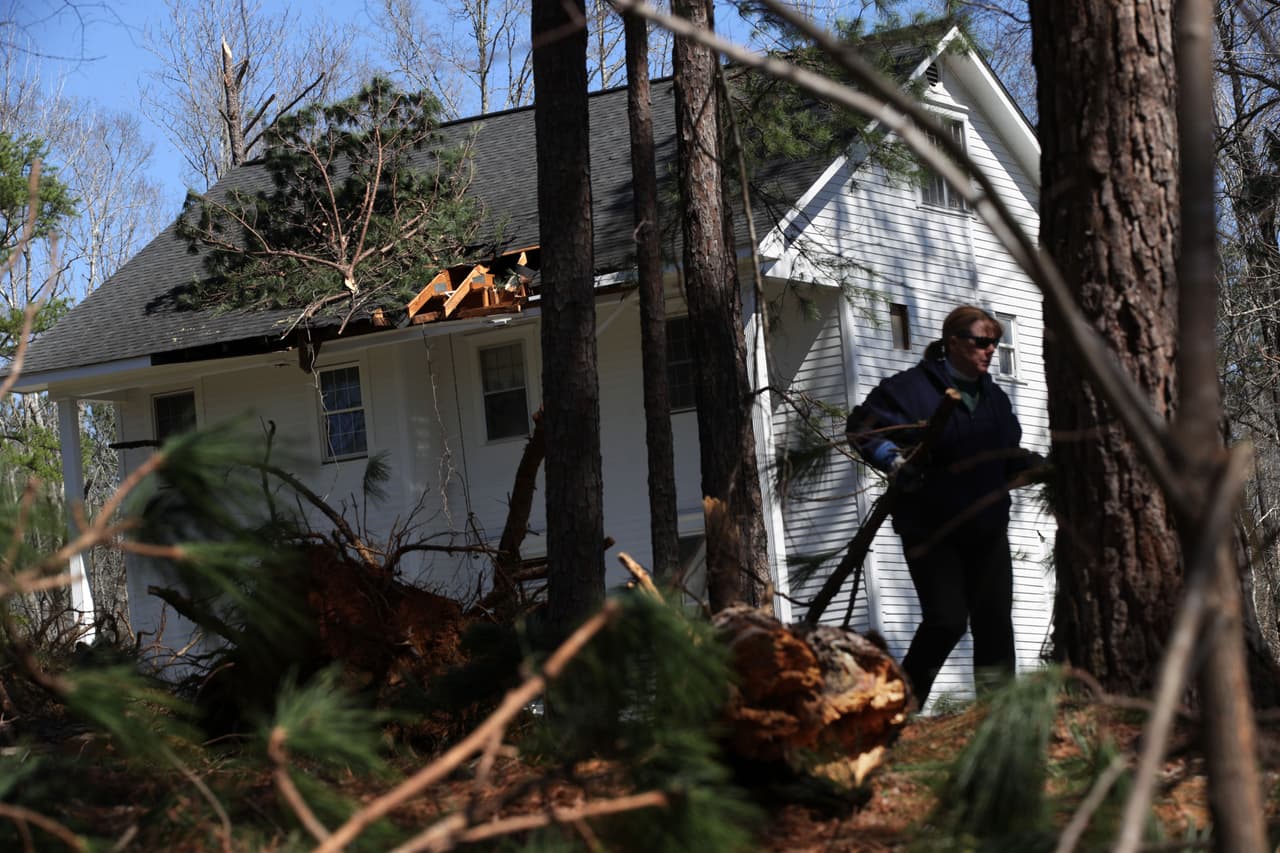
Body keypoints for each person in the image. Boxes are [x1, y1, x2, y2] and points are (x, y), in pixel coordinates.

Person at [846, 304, 1043, 707]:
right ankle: (901, 708)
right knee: (946, 619)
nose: (990, 350)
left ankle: (997, 719)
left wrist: (1047, 466)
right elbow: (863, 428)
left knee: (994, 623)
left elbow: (1005, 459)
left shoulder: (995, 400)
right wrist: (894, 460)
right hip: (931, 528)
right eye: (982, 342)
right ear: (953, 342)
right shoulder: (909, 389)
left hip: (987, 529)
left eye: (995, 343)